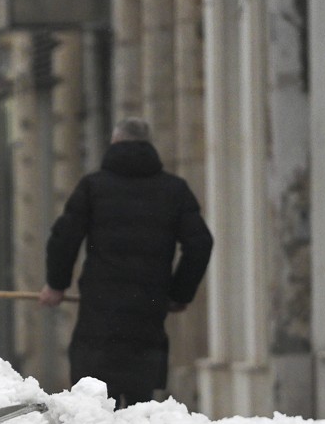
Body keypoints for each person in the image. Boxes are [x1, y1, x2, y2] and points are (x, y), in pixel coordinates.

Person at [39, 118, 214, 408]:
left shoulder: (93, 187)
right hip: (147, 310)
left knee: (95, 405)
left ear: (114, 143)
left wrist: (56, 285)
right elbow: (200, 243)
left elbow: (64, 238)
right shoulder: (175, 190)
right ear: (149, 145)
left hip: (99, 311)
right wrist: (179, 293)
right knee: (138, 406)